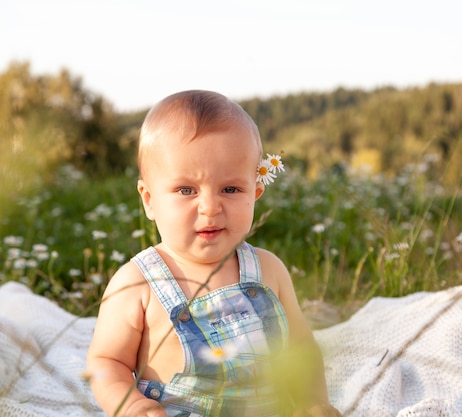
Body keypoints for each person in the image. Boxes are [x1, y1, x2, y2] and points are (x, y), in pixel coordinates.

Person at [85, 90, 341, 417]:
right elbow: (107, 362)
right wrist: (134, 406)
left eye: (230, 189)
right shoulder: (137, 283)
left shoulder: (268, 270)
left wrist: (311, 402)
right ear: (149, 199)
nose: (210, 207)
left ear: (255, 192)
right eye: (186, 190)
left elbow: (301, 348)